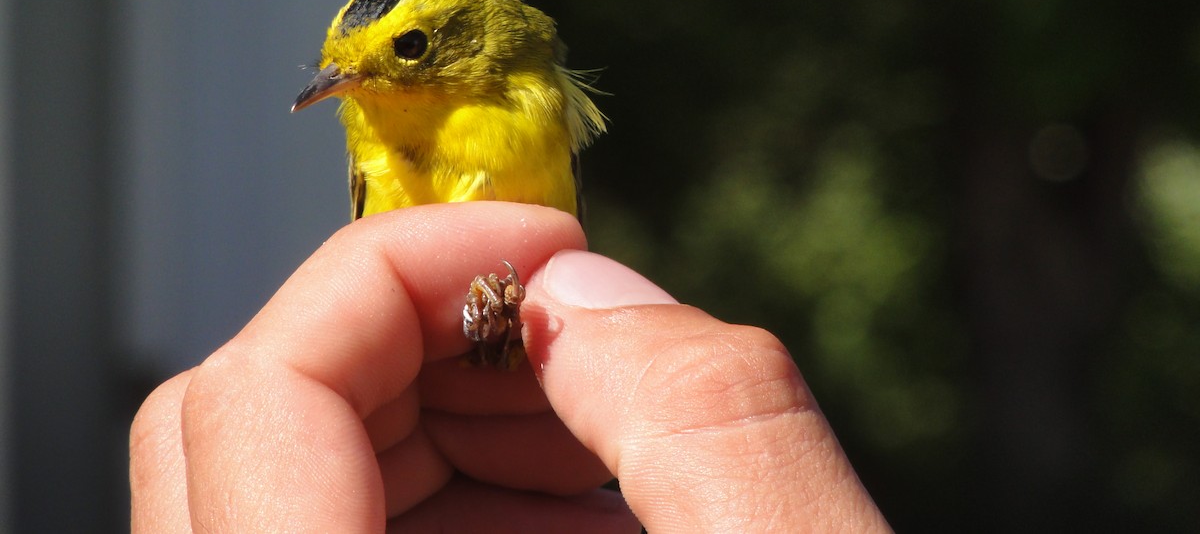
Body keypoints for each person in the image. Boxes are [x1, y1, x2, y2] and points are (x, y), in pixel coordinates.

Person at [130, 202, 892, 532]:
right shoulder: (374, 134)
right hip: (435, 396)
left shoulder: (536, 97)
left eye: (406, 52)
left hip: (521, 377)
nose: (343, 87)